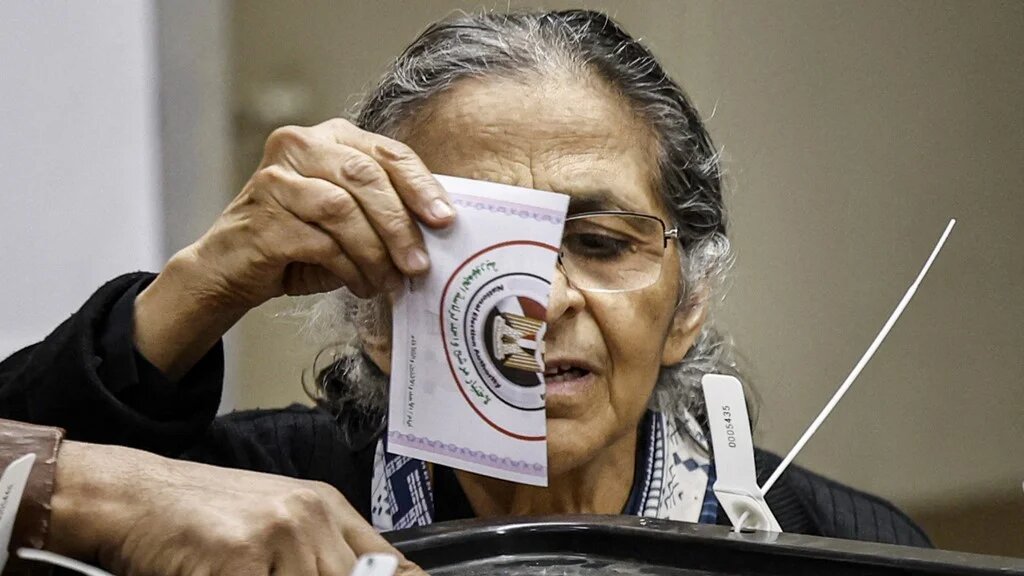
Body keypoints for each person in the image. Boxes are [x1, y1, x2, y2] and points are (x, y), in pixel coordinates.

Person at [0, 9, 930, 576]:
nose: (538, 302)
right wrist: (197, 288)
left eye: (601, 243)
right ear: (373, 316)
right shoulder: (249, 502)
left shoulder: (843, 546)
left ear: (688, 303)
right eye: (477, 251)